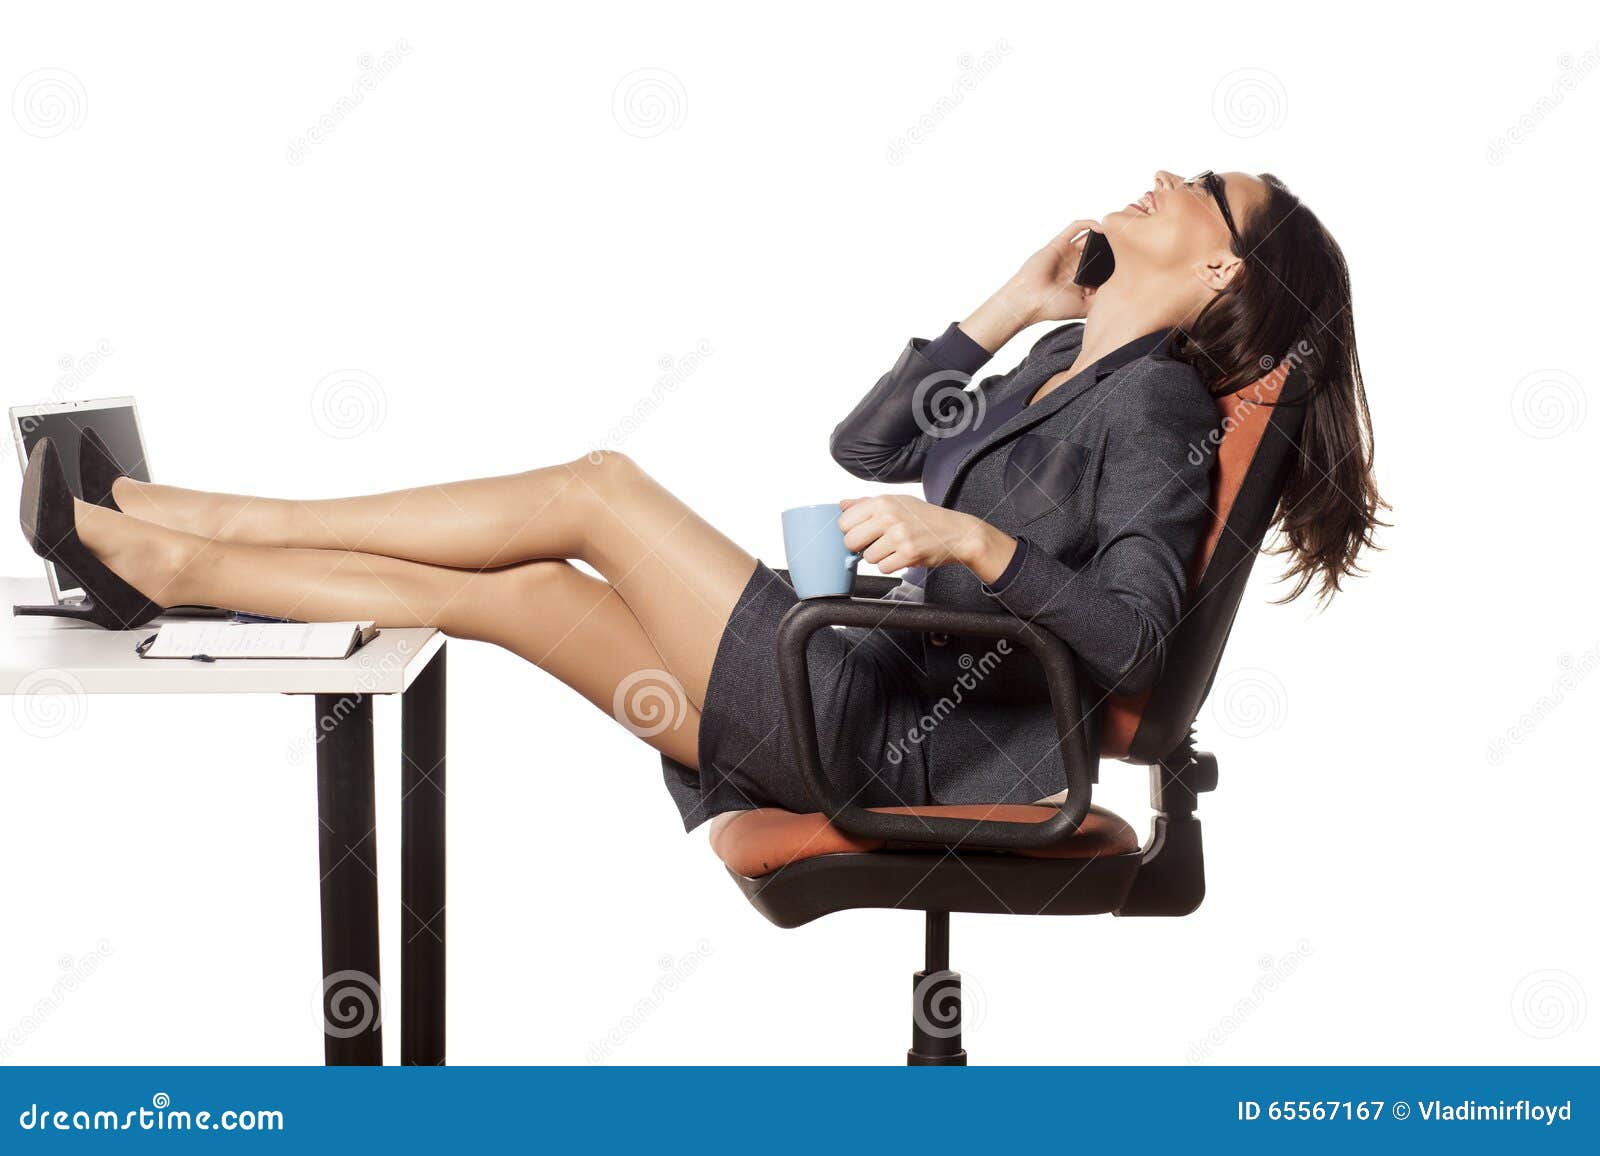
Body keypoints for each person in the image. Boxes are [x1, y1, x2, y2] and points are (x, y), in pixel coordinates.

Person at [18, 169, 1383, 832]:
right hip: (842, 682)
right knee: (515, 596)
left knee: (597, 492)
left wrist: (975, 538)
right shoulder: (1057, 357)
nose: (1167, 175)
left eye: (1207, 191)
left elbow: (1138, 641)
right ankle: (179, 557)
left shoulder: (1157, 409)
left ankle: (208, 516)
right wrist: (1010, 303)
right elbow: (866, 446)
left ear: (1223, 278)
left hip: (885, 734)